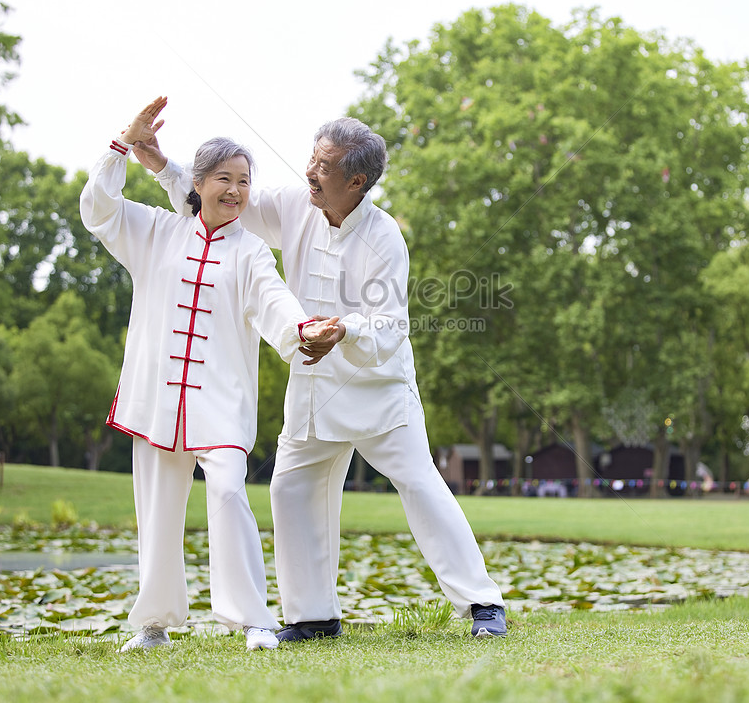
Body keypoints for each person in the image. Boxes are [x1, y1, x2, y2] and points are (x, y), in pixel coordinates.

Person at [133, 100, 508, 640]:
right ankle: (313, 618)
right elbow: (220, 204)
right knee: (289, 489)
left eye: (323, 166)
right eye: (312, 158)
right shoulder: (292, 204)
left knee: (421, 485)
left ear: (356, 180)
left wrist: (345, 330)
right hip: (312, 389)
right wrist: (162, 166)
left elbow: (390, 325)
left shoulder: (384, 238)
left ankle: (482, 605)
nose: (310, 171)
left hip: (379, 392)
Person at [80, 97, 342, 652]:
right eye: (224, 178)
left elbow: (274, 301)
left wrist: (302, 331)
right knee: (156, 510)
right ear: (197, 184)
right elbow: (99, 208)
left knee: (227, 493)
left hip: (220, 402)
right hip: (158, 400)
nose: (236, 191)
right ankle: (152, 626)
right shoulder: (154, 231)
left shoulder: (250, 252)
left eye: (244, 181)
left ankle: (253, 620)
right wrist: (121, 145)